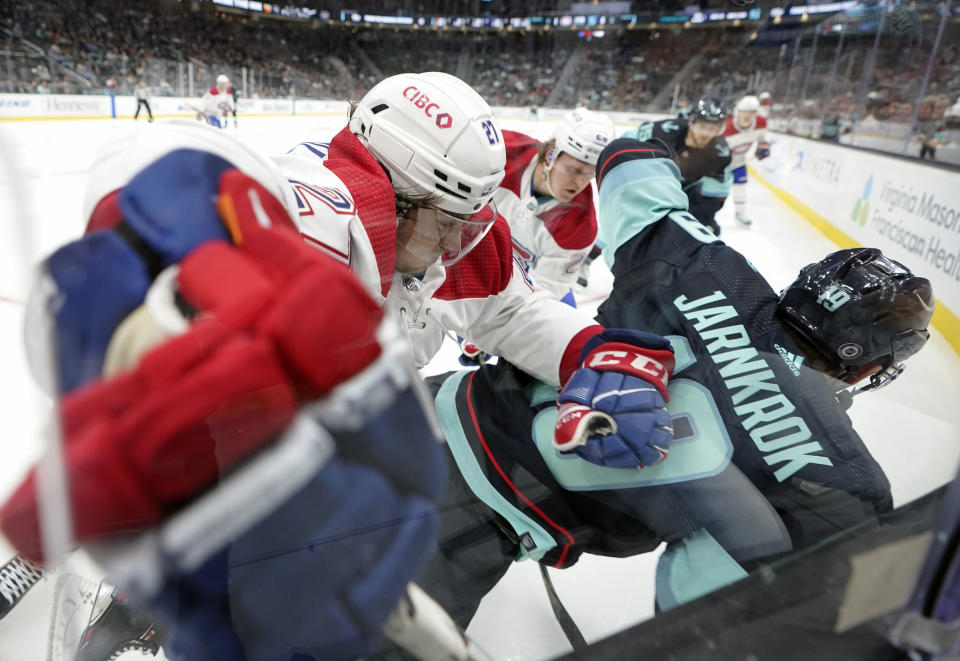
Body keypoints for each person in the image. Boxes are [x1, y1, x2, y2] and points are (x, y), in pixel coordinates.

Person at [1, 72, 666, 659]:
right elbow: (162, 155)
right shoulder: (317, 215)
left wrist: (592, 350)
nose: (464, 242)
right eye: (449, 221)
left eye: (472, 219)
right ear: (397, 198)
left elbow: (510, 312)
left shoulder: (440, 239)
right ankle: (110, 587)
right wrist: (168, 259)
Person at [413, 135, 934, 630]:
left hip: (433, 407)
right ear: (869, 368)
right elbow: (695, 614)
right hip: (472, 519)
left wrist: (682, 143)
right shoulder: (835, 476)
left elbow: (630, 156)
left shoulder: (705, 265)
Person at [455, 107, 616, 366]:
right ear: (550, 154)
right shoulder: (501, 154)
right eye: (574, 169)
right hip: (474, 265)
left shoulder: (580, 227)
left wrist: (488, 329)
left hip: (530, 286)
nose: (580, 183)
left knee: (559, 352)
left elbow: (542, 294)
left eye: (589, 174)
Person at [623, 97, 731, 236]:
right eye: (702, 126)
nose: (705, 134)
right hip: (648, 186)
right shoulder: (662, 131)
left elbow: (715, 197)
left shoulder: (720, 155)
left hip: (684, 194)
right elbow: (624, 144)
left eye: (713, 129)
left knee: (709, 233)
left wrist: (685, 218)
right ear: (691, 122)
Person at [723, 94, 772, 227]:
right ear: (737, 112)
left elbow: (762, 137)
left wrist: (763, 145)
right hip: (721, 164)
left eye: (751, 112)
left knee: (740, 188)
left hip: (739, 162)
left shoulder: (761, 123)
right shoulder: (726, 126)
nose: (747, 115)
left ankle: (740, 213)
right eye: (744, 111)